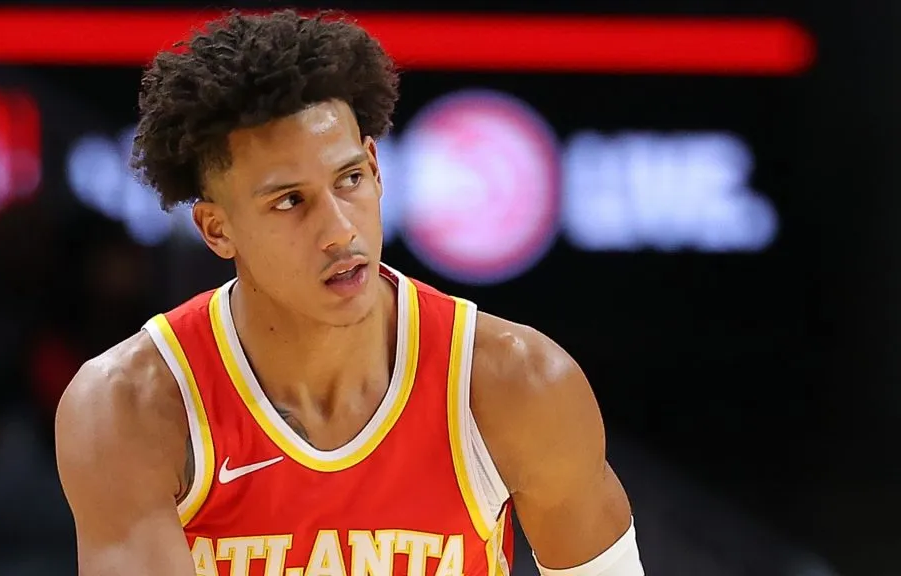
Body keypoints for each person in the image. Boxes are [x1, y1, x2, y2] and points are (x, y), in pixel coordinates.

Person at [55, 10, 644, 576]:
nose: (340, 228)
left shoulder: (517, 383)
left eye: (349, 180)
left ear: (376, 167)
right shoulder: (132, 407)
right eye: (290, 201)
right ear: (217, 228)